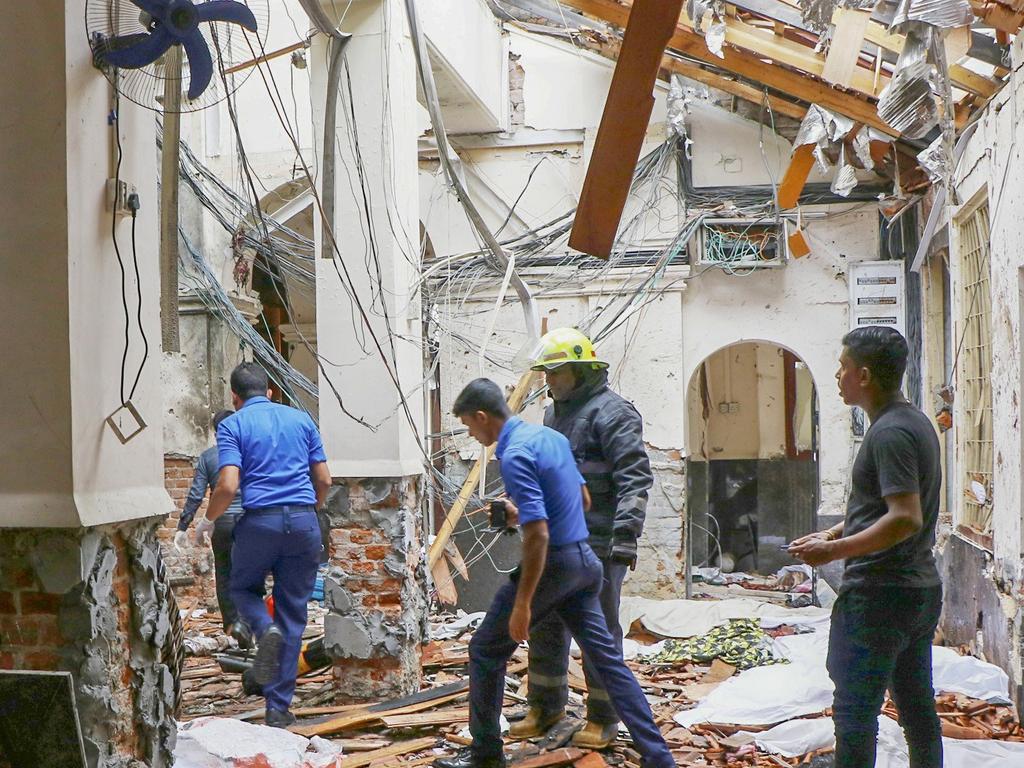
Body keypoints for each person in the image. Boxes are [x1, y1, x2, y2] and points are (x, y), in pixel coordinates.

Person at [436, 379, 673, 768]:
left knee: (484, 650)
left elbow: (538, 534)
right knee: (609, 661)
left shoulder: (513, 455)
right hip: (585, 562)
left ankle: (485, 755)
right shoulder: (548, 437)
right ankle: (659, 758)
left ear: (482, 417)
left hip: (555, 564)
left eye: (468, 426)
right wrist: (526, 513)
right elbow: (582, 499)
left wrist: (523, 604)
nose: (470, 434)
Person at [789, 327, 943, 768]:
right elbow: (880, 507)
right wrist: (832, 534)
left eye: (843, 368)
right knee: (917, 709)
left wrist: (834, 554)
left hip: (880, 595)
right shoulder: (912, 422)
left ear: (865, 375)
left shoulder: (889, 433)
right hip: (916, 591)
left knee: (856, 713)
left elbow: (905, 517)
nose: (837, 376)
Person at [512, 328, 653, 749]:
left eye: (555, 373)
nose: (548, 381)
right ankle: (545, 706)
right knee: (547, 625)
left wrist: (625, 540)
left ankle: (603, 718)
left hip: (601, 543)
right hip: (559, 541)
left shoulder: (613, 413)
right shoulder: (557, 413)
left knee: (598, 634)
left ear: (581, 369)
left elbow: (635, 479)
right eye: (546, 373)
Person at [200, 362, 332, 729]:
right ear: (270, 391)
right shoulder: (302, 420)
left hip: (259, 523)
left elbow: (227, 485)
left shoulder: (232, 425)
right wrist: (310, 509)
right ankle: (278, 709)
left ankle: (261, 627)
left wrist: (206, 521)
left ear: (235, 397)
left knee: (242, 589)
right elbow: (324, 478)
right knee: (293, 616)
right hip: (304, 524)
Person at [174, 409, 254, 644]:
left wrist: (183, 526)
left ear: (215, 432)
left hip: (224, 523)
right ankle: (252, 626)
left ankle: (235, 629)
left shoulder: (209, 457)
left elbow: (196, 495)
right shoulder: (252, 453)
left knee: (225, 576)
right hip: (253, 521)